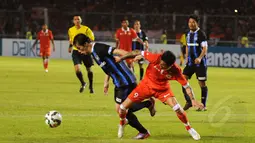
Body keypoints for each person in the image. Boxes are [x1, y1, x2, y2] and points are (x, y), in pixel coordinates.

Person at [73, 33, 156, 139]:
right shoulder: (93, 53)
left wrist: (131, 56)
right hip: (119, 82)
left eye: (79, 48)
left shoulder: (99, 48)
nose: (79, 51)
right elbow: (108, 66)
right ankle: (148, 104)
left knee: (122, 110)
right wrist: (106, 81)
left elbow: (117, 51)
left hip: (125, 81)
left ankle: (144, 131)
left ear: (85, 44)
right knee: (122, 109)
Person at [115, 50, 204, 140]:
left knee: (178, 108)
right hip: (145, 86)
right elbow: (137, 52)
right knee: (122, 108)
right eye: (160, 64)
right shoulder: (155, 57)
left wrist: (192, 100)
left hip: (162, 90)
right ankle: (122, 122)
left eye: (164, 66)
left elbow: (187, 87)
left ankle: (189, 128)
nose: (161, 66)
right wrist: (122, 58)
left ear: (170, 66)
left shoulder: (176, 71)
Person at [182, 15, 208, 111]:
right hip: (190, 63)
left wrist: (200, 58)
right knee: (183, 79)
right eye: (189, 22)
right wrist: (187, 57)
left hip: (200, 63)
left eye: (193, 22)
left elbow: (205, 48)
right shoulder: (187, 33)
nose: (191, 24)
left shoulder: (201, 34)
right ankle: (189, 101)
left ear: (197, 23)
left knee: (202, 83)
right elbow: (187, 46)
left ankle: (203, 105)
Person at [68, 16, 94, 93]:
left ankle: (91, 86)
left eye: (78, 19)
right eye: (75, 19)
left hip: (85, 51)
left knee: (89, 69)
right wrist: (70, 46)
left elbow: (92, 38)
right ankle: (83, 83)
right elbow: (71, 39)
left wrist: (86, 47)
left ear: (81, 20)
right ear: (73, 21)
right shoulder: (70, 30)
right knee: (77, 69)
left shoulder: (86, 29)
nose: (77, 21)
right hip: (76, 51)